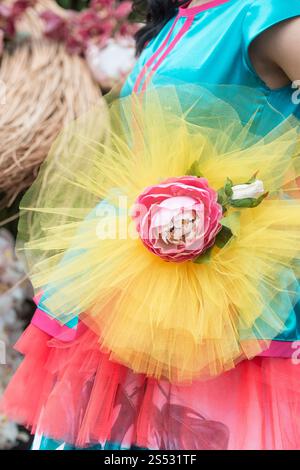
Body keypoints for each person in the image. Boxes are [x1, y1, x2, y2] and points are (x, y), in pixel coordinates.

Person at [1, 0, 300, 450]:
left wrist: (247, 202)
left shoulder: (265, 12)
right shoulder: (177, 18)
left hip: (224, 285)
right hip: (133, 271)